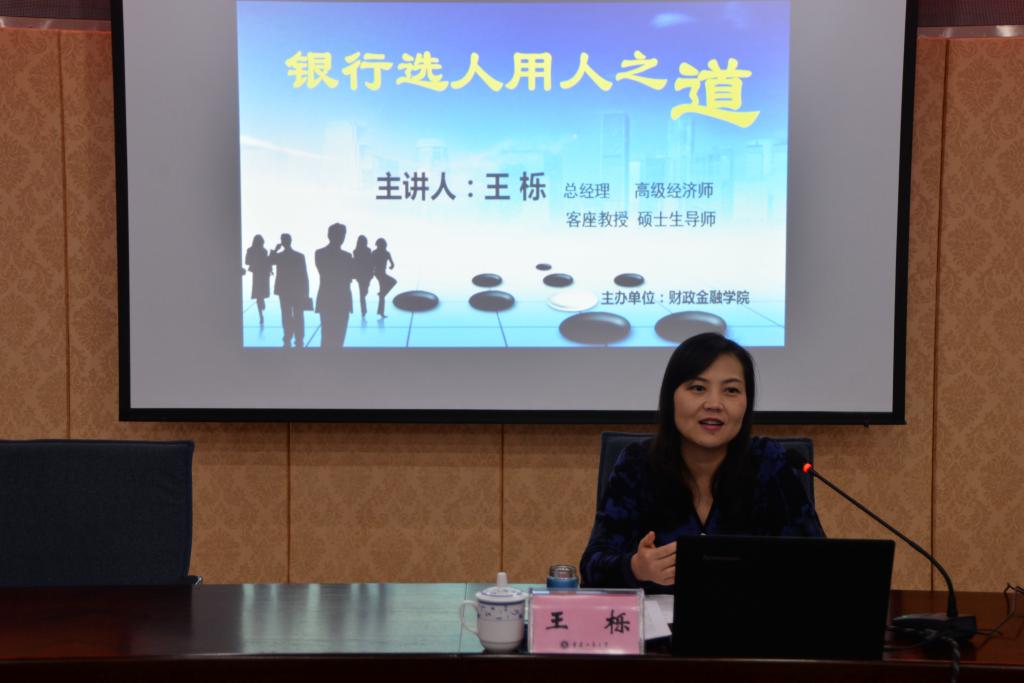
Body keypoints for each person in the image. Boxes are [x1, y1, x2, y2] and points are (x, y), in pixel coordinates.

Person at [580, 332, 824, 593]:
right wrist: (636, 568)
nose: (714, 404)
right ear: (671, 397)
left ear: (747, 402)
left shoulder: (769, 463)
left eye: (731, 390)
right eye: (698, 388)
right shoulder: (637, 464)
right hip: (661, 620)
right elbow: (593, 566)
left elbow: (820, 563)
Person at [314, 223, 355, 348]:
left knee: (328, 337)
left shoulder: (320, 253)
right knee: (338, 338)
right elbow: (350, 276)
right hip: (340, 299)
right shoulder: (346, 256)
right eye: (341, 235)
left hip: (328, 299)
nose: (342, 238)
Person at [270, 233, 309, 348]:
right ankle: (299, 337)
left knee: (286, 314)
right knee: (298, 314)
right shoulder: (299, 256)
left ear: (282, 242)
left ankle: (288, 335)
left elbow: (269, 261)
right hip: (297, 289)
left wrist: (275, 250)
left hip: (284, 289)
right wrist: (306, 291)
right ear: (291, 241)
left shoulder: (279, 256)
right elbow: (304, 274)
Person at [244, 235, 272, 325]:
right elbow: (267, 262)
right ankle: (261, 307)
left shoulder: (251, 250)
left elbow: (247, 262)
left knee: (258, 295)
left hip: (257, 275)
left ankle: (260, 315)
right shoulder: (264, 251)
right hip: (264, 274)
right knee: (261, 295)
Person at [371, 237, 397, 318]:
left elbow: (392, 264)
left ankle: (381, 312)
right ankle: (382, 294)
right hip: (380, 273)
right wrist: (391, 266)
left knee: (382, 293)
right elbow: (392, 264)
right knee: (393, 282)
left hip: (378, 273)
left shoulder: (375, 253)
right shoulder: (386, 253)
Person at [352, 235, 374, 318]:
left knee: (363, 292)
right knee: (362, 293)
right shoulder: (358, 251)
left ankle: (363, 311)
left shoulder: (358, 251)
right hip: (363, 274)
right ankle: (363, 311)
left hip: (364, 274)